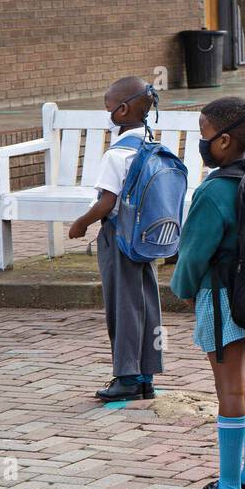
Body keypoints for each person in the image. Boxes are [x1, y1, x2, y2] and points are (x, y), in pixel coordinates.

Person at [170, 98, 245, 489]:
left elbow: (193, 254)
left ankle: (228, 487)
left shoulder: (213, 190)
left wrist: (182, 289)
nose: (200, 141)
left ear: (224, 141)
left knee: (229, 389)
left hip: (222, 298)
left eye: (204, 133)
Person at [68, 77, 164, 402]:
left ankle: (126, 376)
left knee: (122, 305)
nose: (106, 113)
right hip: (146, 237)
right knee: (146, 303)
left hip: (118, 238)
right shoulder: (151, 144)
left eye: (107, 108)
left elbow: (106, 202)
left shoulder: (117, 154)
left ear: (122, 111)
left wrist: (81, 224)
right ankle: (146, 376)